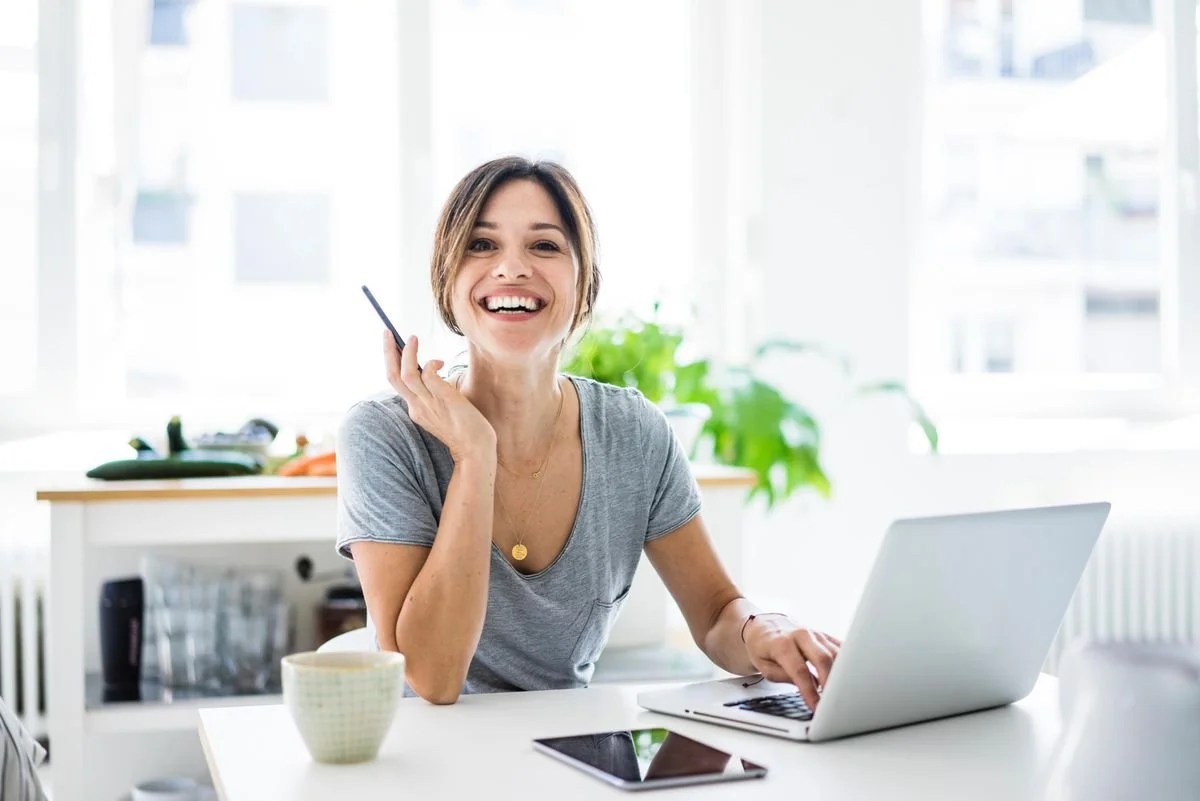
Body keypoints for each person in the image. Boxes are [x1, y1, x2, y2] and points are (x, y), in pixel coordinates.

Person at [336, 156, 841, 706]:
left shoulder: (635, 434)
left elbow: (717, 612)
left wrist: (763, 629)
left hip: (572, 750)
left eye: (545, 246)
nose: (511, 268)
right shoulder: (383, 436)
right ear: (447, 279)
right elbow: (432, 678)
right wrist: (474, 455)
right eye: (482, 245)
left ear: (584, 282)